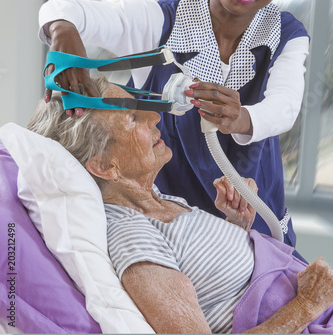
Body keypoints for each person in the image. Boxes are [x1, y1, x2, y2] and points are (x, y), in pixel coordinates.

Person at [38, 0, 327, 248]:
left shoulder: (286, 35)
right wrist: (64, 30)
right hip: (177, 227)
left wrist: (241, 119)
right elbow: (62, 7)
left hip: (252, 212)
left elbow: (284, 107)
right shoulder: (158, 22)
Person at [27, 77, 333, 334]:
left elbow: (211, 283)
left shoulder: (156, 200)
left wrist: (236, 225)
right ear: (106, 166)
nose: (155, 116)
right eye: (133, 118)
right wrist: (305, 306)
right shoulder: (133, 238)